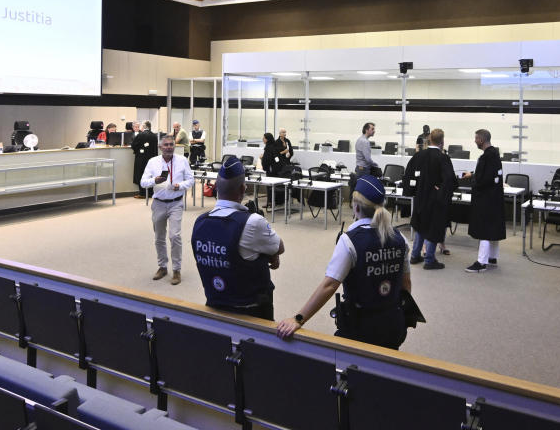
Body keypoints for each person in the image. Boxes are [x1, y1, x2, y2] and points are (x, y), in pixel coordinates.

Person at [276, 175, 411, 349]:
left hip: (359, 328)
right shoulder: (400, 238)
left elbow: (329, 285)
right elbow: (406, 284)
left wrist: (298, 319)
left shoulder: (350, 241)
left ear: (355, 207)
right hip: (393, 324)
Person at [191, 156, 284, 320]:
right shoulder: (252, 222)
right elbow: (279, 247)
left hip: (214, 305)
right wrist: (272, 254)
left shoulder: (200, 222)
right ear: (243, 189)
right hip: (252, 312)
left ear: (216, 188)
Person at [141, 134, 194, 285]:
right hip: (158, 203)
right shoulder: (153, 162)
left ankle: (176, 270)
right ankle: (162, 267)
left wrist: (180, 186)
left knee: (175, 236)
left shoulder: (182, 161)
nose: (169, 147)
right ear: (160, 147)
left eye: (171, 144)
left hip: (176, 203)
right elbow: (143, 182)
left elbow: (190, 180)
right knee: (159, 237)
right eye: (166, 145)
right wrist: (154, 180)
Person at [404, 128, 455, 269]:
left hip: (420, 197)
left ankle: (415, 255)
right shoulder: (442, 157)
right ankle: (429, 259)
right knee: (433, 227)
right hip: (435, 200)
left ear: (429, 140)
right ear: (442, 141)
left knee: (420, 226)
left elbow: (408, 174)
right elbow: (450, 179)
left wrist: (412, 191)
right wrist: (442, 193)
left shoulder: (419, 155)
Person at [463, 129, 504, 272]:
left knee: (484, 230)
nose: (475, 141)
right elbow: (488, 174)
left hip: (485, 199)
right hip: (494, 198)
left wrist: (473, 179)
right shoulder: (494, 154)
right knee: (492, 228)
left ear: (481, 139)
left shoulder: (487, 156)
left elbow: (483, 179)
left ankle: (481, 262)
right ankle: (492, 257)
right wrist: (474, 174)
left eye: (476, 138)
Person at [131, 121, 157, 199]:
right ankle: (150, 192)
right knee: (150, 175)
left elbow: (134, 145)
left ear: (144, 127)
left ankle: (142, 193)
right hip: (152, 159)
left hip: (141, 159)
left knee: (141, 174)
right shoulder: (154, 136)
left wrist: (137, 151)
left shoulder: (140, 135)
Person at [260, 132, 283, 208]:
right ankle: (276, 202)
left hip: (271, 170)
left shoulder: (268, 148)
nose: (262, 139)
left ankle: (270, 203)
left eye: (264, 138)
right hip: (276, 170)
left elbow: (268, 159)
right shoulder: (274, 146)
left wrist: (262, 158)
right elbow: (276, 159)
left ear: (267, 139)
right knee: (275, 186)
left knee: (270, 187)